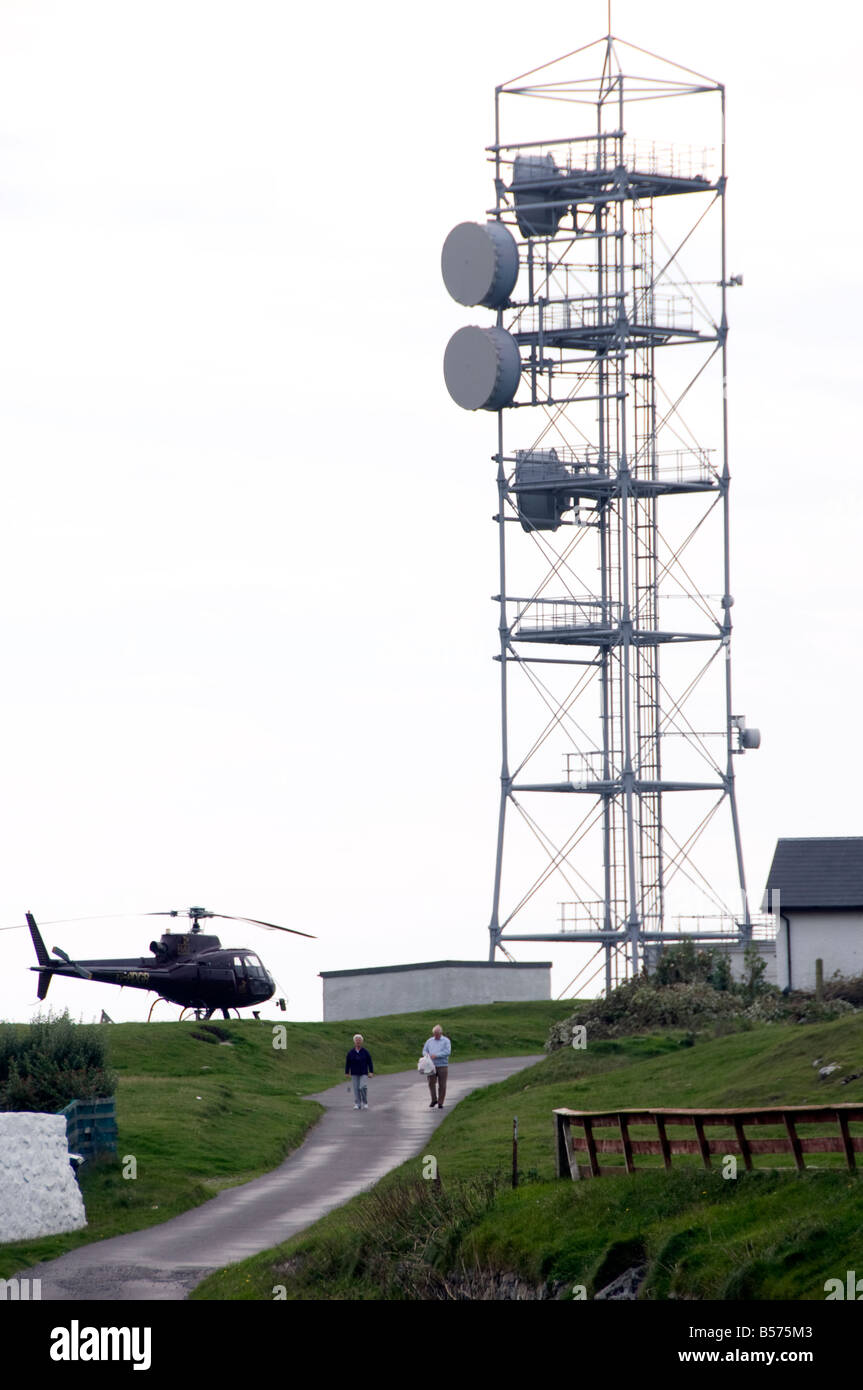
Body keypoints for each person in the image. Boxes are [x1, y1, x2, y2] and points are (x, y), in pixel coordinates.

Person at [422, 1023, 451, 1109]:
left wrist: (437, 1055)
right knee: (431, 1083)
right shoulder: (429, 1041)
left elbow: (447, 1052)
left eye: (437, 1034)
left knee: (442, 1084)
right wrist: (427, 1055)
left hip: (442, 1065)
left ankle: (440, 1102)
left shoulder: (446, 1041)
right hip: (431, 1065)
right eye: (434, 1034)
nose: (435, 1035)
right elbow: (424, 1050)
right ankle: (434, 1099)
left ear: (441, 1033)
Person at [344, 1033, 374, 1109]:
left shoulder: (365, 1052)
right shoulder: (351, 1052)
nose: (358, 1042)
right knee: (356, 1089)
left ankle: (365, 1102)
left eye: (359, 1040)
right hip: (354, 1073)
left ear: (362, 1042)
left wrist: (371, 1072)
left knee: (362, 1087)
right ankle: (357, 1104)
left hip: (363, 1072)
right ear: (354, 1042)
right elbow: (348, 1063)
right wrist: (347, 1072)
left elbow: (369, 1062)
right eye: (357, 1040)